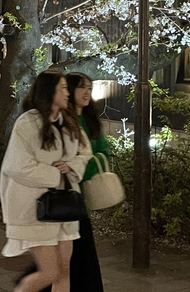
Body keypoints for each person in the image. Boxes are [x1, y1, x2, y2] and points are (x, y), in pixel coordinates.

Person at [0, 70, 91, 292]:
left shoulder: (67, 122)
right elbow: (17, 166)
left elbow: (84, 153)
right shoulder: (28, 123)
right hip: (34, 208)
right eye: (62, 88)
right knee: (50, 272)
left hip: (63, 208)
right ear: (49, 91)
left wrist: (71, 167)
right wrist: (55, 174)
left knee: (63, 270)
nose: (67, 93)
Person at [65, 73, 109, 292]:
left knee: (82, 253)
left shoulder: (90, 120)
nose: (87, 92)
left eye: (89, 88)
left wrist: (82, 167)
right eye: (81, 87)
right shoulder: (62, 119)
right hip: (65, 195)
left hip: (83, 198)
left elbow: (103, 152)